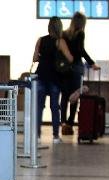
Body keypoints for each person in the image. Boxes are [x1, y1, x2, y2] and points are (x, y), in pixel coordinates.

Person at [32, 16, 73, 144]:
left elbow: (35, 59)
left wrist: (43, 57)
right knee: (55, 107)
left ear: (49, 26)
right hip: (54, 78)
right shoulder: (60, 42)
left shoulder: (41, 40)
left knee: (39, 107)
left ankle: (37, 136)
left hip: (41, 76)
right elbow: (70, 58)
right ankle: (55, 136)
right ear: (59, 27)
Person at [59, 12, 100, 135]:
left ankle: (63, 123)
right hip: (76, 67)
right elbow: (81, 50)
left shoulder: (64, 34)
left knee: (65, 96)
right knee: (75, 95)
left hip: (64, 68)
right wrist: (92, 63)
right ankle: (70, 124)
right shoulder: (80, 33)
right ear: (82, 23)